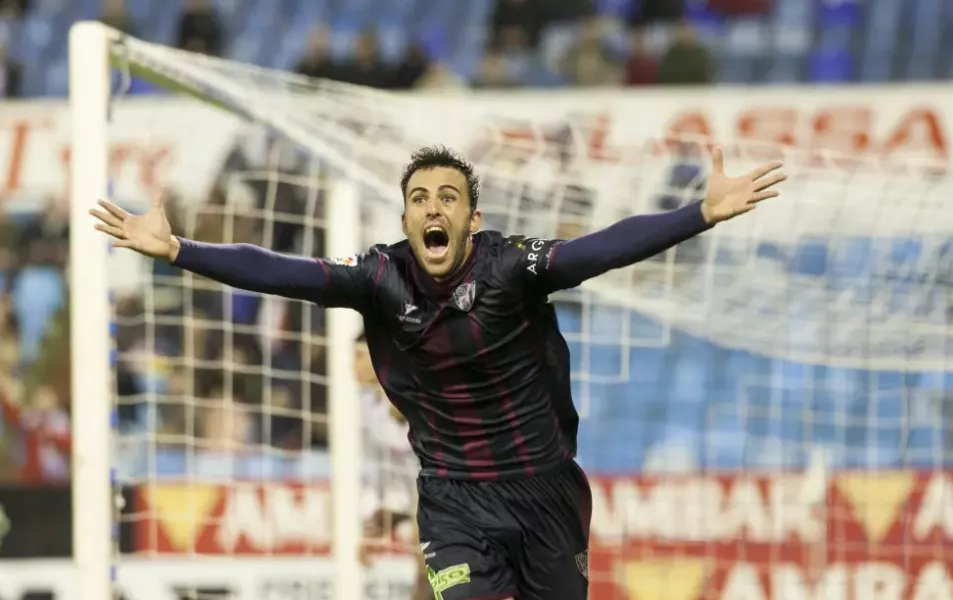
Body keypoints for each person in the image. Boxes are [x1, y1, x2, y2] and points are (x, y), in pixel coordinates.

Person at [91, 145, 785, 600]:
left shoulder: (510, 266)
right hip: (452, 497)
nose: (432, 207)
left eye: (447, 197)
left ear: (471, 217)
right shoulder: (379, 276)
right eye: (419, 197)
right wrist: (179, 249)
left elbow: (601, 250)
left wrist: (699, 213)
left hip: (544, 489)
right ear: (404, 216)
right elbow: (281, 272)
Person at [354, 332, 431, 600]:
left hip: (447, 496)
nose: (354, 365)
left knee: (428, 580)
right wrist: (382, 514)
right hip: (417, 503)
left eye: (360, 356)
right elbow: (377, 466)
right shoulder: (365, 405)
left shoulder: (415, 395)